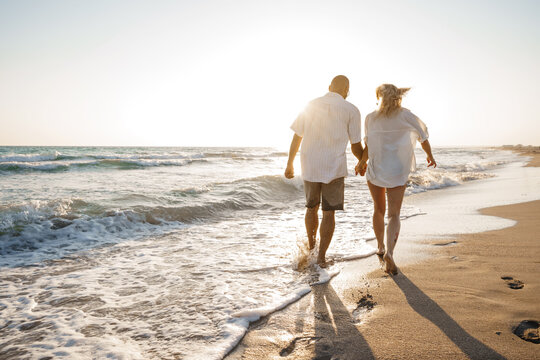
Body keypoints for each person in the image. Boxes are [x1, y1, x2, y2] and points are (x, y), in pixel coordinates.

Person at [356, 84, 436, 275]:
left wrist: (361, 162)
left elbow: (369, 144)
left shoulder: (370, 118)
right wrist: (430, 156)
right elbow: (423, 136)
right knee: (394, 214)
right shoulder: (406, 115)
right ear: (397, 96)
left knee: (378, 209)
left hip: (376, 168)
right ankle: (390, 252)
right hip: (398, 170)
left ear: (378, 96)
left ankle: (380, 247)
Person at [284, 75, 364, 267]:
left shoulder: (310, 105)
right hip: (334, 167)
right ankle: (320, 258)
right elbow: (355, 145)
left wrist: (290, 163)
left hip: (310, 164)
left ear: (329, 87)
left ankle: (311, 249)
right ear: (347, 90)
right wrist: (363, 161)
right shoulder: (351, 109)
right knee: (329, 213)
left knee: (311, 207)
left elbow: (297, 137)